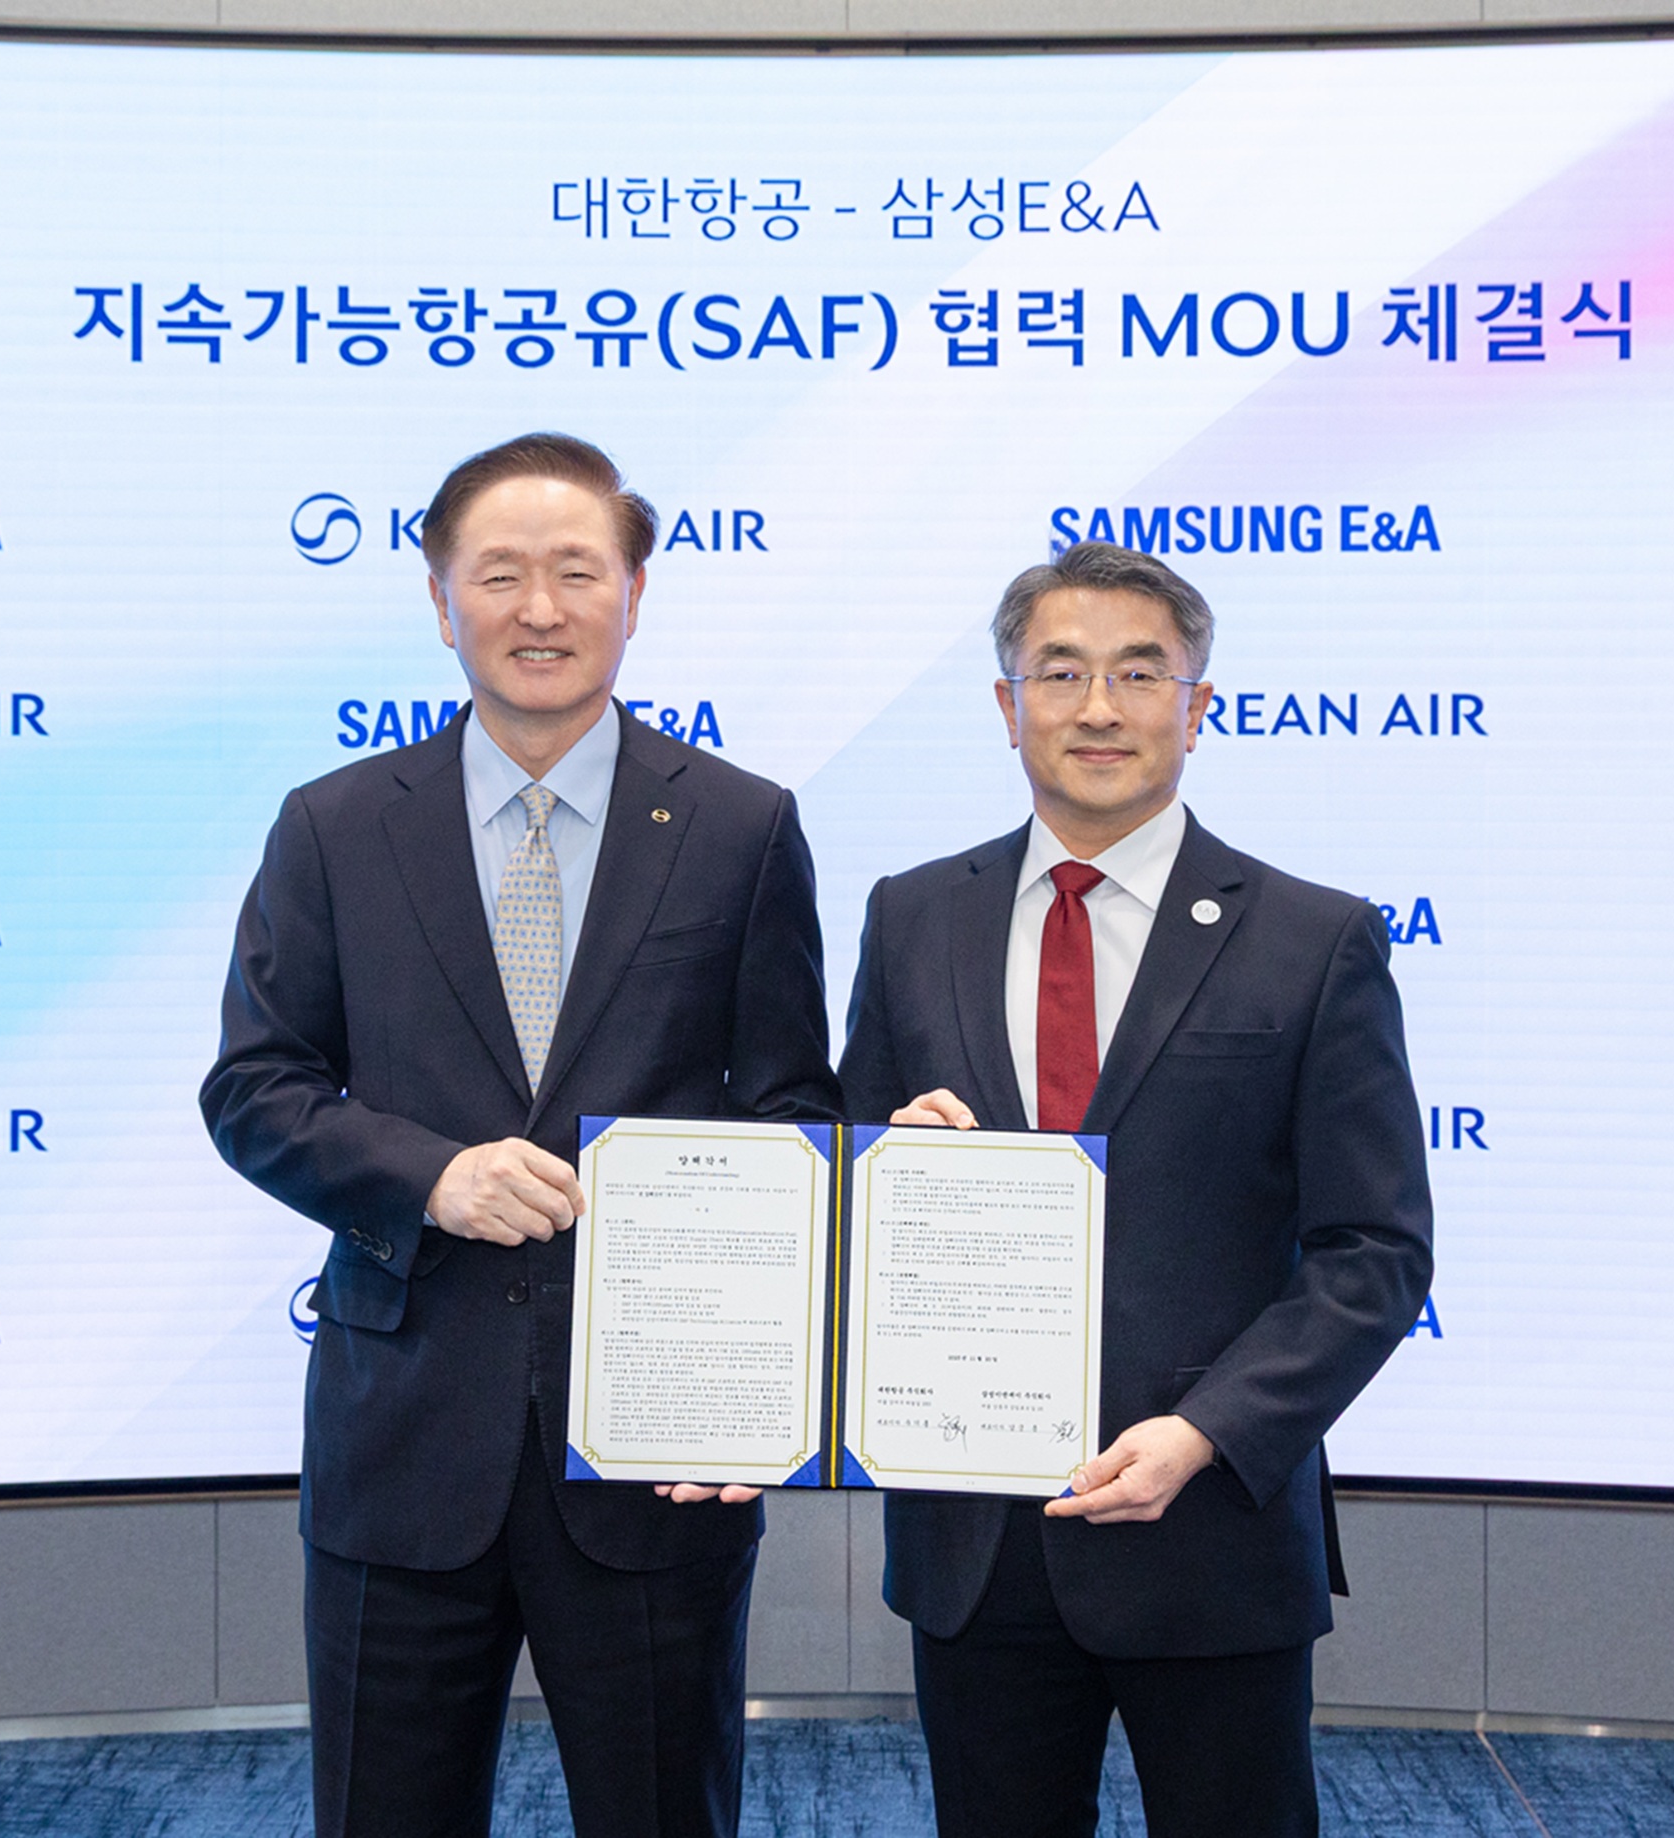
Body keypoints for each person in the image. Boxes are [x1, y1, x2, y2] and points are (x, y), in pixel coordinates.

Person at [200, 432, 839, 1838]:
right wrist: (430, 1175)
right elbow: (255, 1088)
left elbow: (792, 1113)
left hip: (656, 1446)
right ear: (442, 602)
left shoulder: (740, 827)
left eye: (576, 572)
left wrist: (764, 1371)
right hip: (404, 1436)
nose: (539, 609)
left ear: (635, 594)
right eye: (499, 575)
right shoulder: (336, 826)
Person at [837, 541, 1435, 1838]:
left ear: (1197, 706)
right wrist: (883, 1164)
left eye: (1138, 672)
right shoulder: (912, 916)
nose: (1098, 706)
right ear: (1008, 705)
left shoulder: (1313, 938)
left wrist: (1207, 1431)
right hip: (974, 1538)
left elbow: (1374, 1252)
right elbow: (847, 1191)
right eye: (1060, 672)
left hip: (1211, 1527)